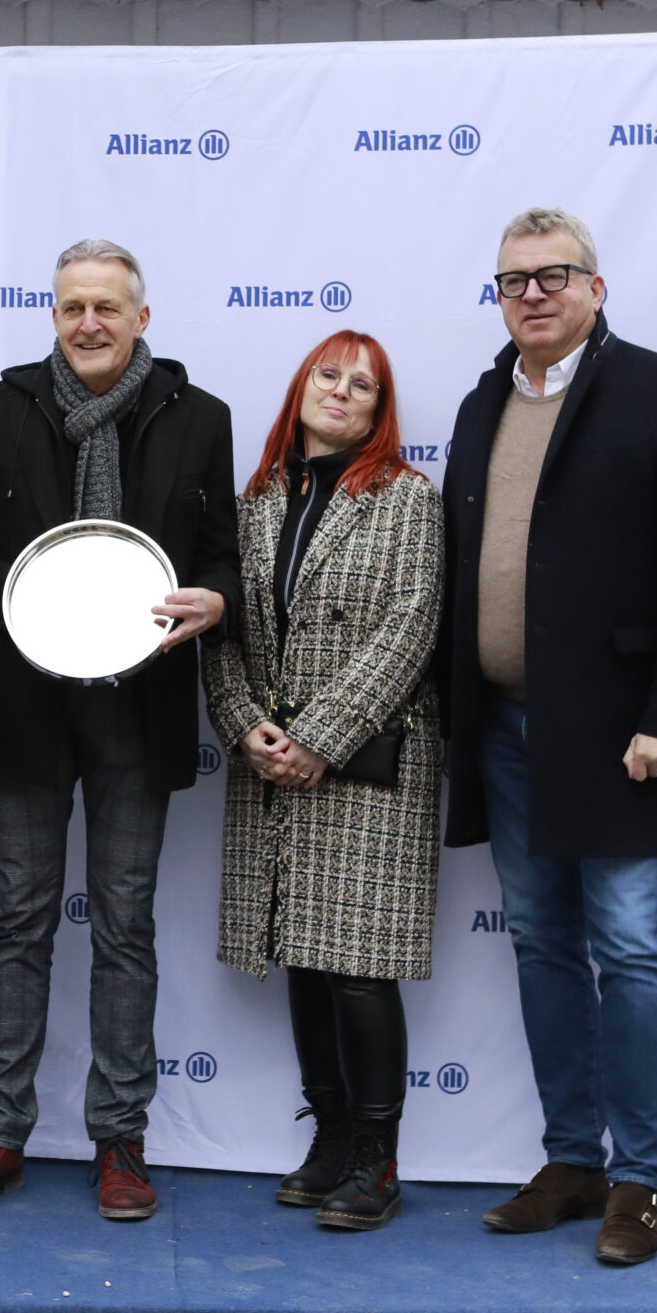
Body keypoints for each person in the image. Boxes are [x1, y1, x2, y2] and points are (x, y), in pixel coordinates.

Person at [439, 206, 657, 1267]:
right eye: (513, 279)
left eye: (553, 275)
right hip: (507, 734)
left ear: (595, 290)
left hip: (624, 737)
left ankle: (638, 1184)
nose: (531, 293)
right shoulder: (481, 405)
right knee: (540, 944)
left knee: (629, 948)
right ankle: (570, 1160)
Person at [0, 238, 237, 1223]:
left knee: (125, 927)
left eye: (107, 307)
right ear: (53, 318)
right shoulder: (2, 406)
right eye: (72, 308)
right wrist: (34, 609)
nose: (90, 324)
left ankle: (120, 1140)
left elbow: (223, 561)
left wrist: (212, 602)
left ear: (141, 317)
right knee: (19, 922)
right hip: (28, 701)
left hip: (139, 708)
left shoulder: (200, 418)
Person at [203, 331, 443, 1233]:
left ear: (381, 412)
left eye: (365, 386)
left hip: (371, 766)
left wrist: (319, 738)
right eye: (329, 375)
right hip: (269, 764)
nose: (343, 392)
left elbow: (409, 630)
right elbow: (220, 632)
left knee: (360, 969)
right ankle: (331, 1138)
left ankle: (378, 1160)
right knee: (304, 956)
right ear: (301, 387)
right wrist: (245, 727)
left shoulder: (407, 500)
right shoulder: (255, 501)